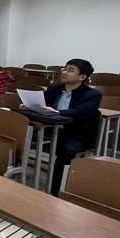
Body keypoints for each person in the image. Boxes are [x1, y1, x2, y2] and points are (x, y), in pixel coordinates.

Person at [41, 59, 101, 196]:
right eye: (64, 68)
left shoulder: (92, 95)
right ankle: (11, 174)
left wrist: (56, 112)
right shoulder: (54, 89)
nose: (64, 72)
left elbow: (78, 113)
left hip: (75, 134)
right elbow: (42, 106)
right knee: (21, 135)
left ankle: (55, 193)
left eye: (70, 70)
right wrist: (31, 106)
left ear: (82, 77)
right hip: (50, 129)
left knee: (66, 152)